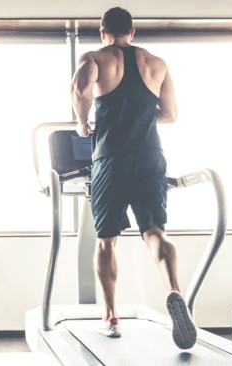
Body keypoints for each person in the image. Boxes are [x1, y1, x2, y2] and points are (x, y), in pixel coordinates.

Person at [70, 7, 196, 349]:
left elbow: (81, 92)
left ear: (102, 31)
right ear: (133, 31)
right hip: (151, 155)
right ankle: (173, 289)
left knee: (106, 240)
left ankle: (110, 316)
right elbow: (170, 114)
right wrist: (138, 112)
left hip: (111, 157)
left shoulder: (95, 58)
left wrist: (83, 124)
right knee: (155, 231)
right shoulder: (157, 63)